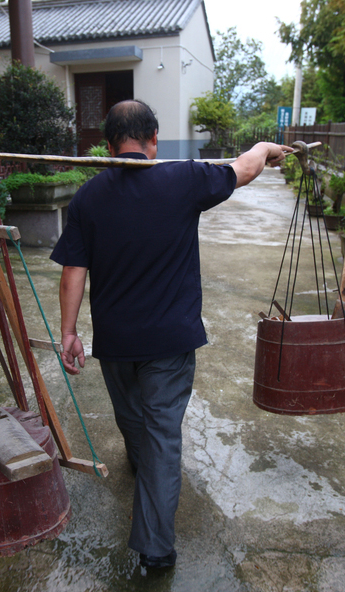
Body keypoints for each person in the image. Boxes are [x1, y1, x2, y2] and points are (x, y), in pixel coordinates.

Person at [50, 100, 291, 569]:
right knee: (161, 434)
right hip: (170, 341)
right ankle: (155, 550)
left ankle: (146, 475)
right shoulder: (185, 179)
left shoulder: (89, 197)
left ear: (107, 145)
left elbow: (71, 274)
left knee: (136, 422)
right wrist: (264, 146)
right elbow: (243, 170)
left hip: (116, 343)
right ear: (154, 137)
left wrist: (68, 333)